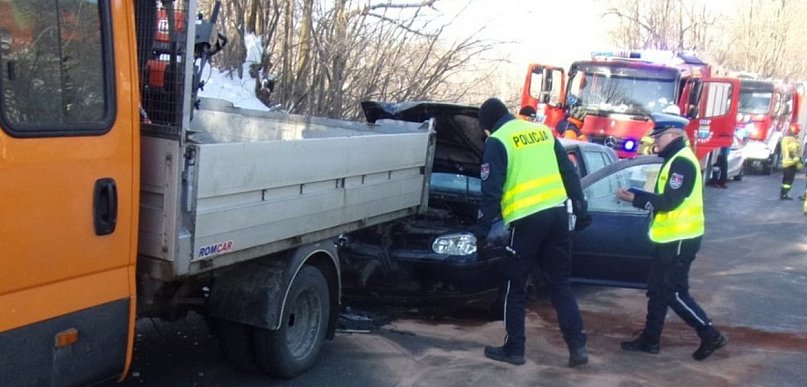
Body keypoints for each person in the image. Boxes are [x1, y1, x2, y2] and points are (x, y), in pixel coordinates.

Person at [471, 98, 592, 368]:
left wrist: (480, 232)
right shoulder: (541, 131)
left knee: (515, 284)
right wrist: (581, 207)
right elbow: (568, 172)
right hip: (558, 214)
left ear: (487, 125)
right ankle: (577, 347)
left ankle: (514, 349)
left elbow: (491, 191)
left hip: (527, 221)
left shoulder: (498, 140)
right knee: (560, 284)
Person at [616, 113, 728, 361]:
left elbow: (669, 201)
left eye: (659, 136)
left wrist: (635, 198)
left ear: (674, 135)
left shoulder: (682, 162)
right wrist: (638, 194)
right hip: (669, 237)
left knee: (673, 292)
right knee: (657, 290)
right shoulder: (675, 159)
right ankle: (650, 340)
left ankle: (709, 334)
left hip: (680, 238)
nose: (655, 142)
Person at [780, 124, 802, 200]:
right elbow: (792, 151)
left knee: (785, 179)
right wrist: (798, 162)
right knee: (789, 180)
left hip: (786, 162)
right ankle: (785, 194)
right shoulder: (793, 139)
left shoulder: (785, 138)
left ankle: (783, 193)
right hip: (791, 163)